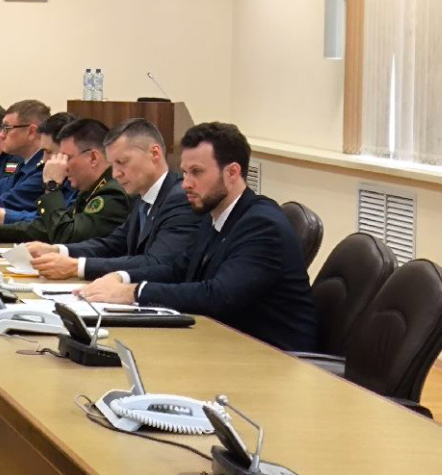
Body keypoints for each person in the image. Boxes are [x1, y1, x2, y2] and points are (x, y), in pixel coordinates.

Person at [76, 122, 318, 352]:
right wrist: (120, 278)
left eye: (197, 172)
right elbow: (178, 269)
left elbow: (218, 296)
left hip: (275, 357)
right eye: (184, 172)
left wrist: (133, 292)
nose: (186, 184)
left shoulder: (262, 225)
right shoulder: (212, 214)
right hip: (225, 344)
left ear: (232, 172)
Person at [24, 118, 203, 282]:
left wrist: (77, 267)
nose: (116, 173)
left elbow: (158, 263)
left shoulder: (180, 199)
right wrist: (59, 250)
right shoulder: (144, 197)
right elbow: (113, 244)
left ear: (154, 153)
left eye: (122, 162)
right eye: (113, 164)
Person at [0, 118, 131, 245]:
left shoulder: (111, 193)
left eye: (66, 157)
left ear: (93, 158)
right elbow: (48, 228)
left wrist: (52, 186)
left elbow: (66, 236)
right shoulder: (91, 188)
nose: (62, 165)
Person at [0, 110, 74, 226]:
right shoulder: (23, 163)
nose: (44, 159)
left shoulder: (78, 186)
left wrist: (52, 186)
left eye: (48, 152)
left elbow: (53, 224)